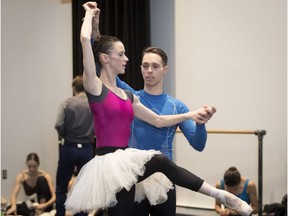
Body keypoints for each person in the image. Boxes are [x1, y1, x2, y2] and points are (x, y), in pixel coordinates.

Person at [64, 2, 253, 216]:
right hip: (110, 164)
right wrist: (89, 16)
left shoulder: (128, 96)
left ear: (165, 69)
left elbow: (159, 120)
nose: (128, 59)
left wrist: (193, 115)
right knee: (157, 163)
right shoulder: (96, 87)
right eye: (123, 55)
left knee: (160, 162)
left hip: (131, 165)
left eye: (154, 66)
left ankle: (221, 195)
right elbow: (89, 45)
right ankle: (219, 195)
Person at [116, 46, 214, 215]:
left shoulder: (177, 106)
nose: (149, 71)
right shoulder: (131, 96)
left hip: (164, 178)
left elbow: (198, 144)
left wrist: (200, 123)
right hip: (135, 176)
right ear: (140, 68)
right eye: (145, 66)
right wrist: (95, 33)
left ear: (165, 69)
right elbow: (103, 65)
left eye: (155, 66)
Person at [54, 75, 95, 216]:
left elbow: (58, 124)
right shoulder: (93, 104)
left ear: (74, 88)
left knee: (61, 188)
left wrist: (66, 135)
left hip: (69, 147)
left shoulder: (67, 103)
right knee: (83, 188)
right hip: (87, 149)